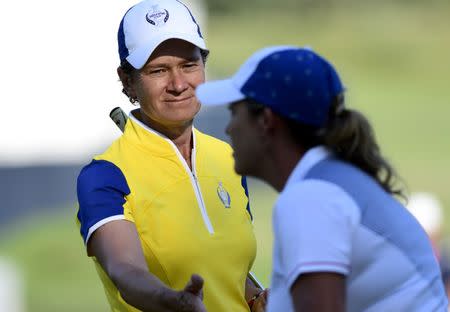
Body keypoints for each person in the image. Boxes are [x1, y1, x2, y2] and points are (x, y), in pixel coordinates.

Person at [196, 46, 448, 311]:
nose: (228, 127)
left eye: (235, 113)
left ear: (266, 121)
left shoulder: (311, 199)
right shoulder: (332, 182)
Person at [76, 0, 266, 311]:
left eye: (189, 65)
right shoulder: (105, 175)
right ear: (128, 81)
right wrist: (171, 301)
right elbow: (125, 271)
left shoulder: (228, 158)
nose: (178, 84)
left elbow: (226, 269)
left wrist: (257, 299)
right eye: (158, 70)